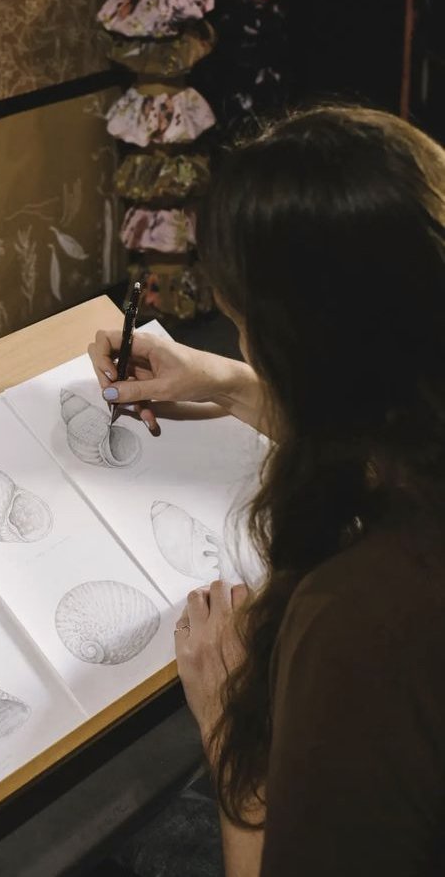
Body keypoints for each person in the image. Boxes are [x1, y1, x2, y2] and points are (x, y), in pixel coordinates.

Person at [88, 105, 445, 876]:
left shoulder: (361, 624)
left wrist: (229, 738)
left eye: (243, 327)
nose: (237, 343)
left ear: (301, 351)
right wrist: (224, 382)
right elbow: (376, 420)